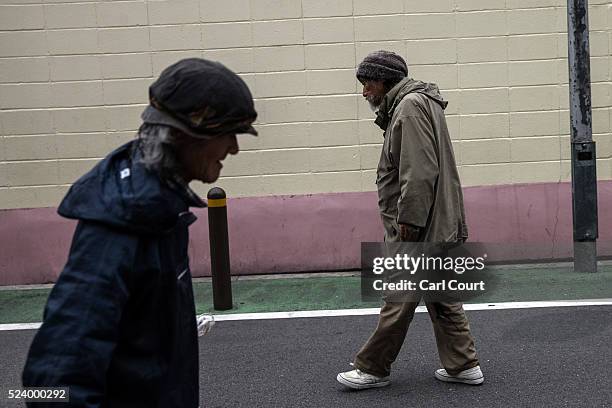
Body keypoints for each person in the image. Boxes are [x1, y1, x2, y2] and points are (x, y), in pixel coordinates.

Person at [22, 58, 257, 407]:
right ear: (183, 135)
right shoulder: (123, 227)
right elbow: (51, 384)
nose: (234, 149)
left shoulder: (158, 207)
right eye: (228, 135)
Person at [336, 51, 484, 389]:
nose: (364, 92)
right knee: (442, 293)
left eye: (368, 83)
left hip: (421, 225)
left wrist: (409, 221)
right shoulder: (417, 103)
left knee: (398, 297)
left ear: (386, 80)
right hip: (437, 221)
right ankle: (463, 365)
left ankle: (373, 368)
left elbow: (419, 172)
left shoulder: (409, 107)